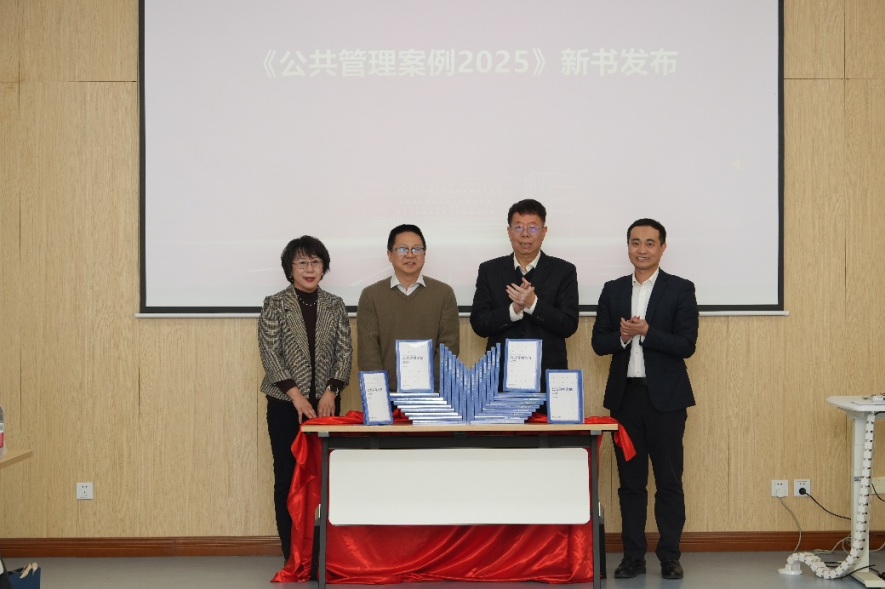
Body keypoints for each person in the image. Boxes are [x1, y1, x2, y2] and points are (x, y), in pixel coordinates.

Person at [591, 218, 698, 581]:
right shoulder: (613, 290)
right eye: (635, 242)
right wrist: (623, 337)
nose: (642, 249)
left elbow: (686, 345)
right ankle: (633, 557)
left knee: (669, 481)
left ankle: (669, 556)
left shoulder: (680, 289)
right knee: (630, 483)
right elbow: (598, 343)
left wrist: (648, 332)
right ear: (628, 247)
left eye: (650, 243)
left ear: (662, 248)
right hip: (626, 401)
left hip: (667, 401)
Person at [258, 236, 352, 563]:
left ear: (323, 267)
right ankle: (293, 556)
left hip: (327, 405)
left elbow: (344, 352)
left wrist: (331, 391)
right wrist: (296, 396)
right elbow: (270, 354)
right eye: (302, 263)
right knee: (287, 477)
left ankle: (324, 556)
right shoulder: (274, 304)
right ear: (290, 269)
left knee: (325, 477)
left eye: (315, 262)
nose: (309, 269)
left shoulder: (335, 305)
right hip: (285, 405)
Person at [470, 199, 579, 395]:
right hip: (500, 378)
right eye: (518, 227)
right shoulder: (489, 270)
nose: (525, 234)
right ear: (509, 231)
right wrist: (513, 311)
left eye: (533, 228)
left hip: (547, 378)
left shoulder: (564, 271)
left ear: (544, 232)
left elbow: (568, 325)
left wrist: (533, 304)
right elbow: (479, 324)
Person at [357, 224, 459, 389]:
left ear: (424, 254)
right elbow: (368, 352)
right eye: (402, 249)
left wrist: (429, 387)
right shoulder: (371, 295)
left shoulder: (444, 293)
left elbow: (449, 346)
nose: (410, 255)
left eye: (416, 249)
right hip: (386, 393)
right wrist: (379, 392)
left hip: (431, 393)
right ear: (390, 255)